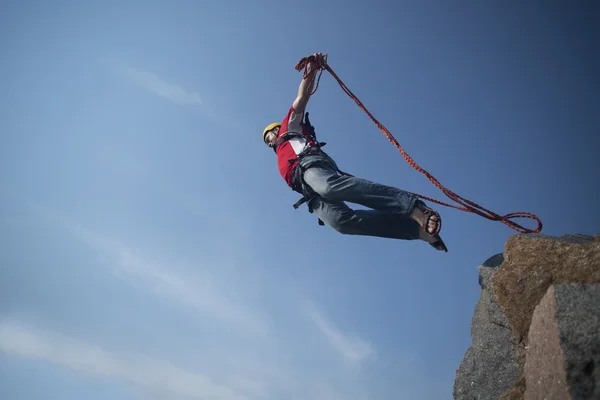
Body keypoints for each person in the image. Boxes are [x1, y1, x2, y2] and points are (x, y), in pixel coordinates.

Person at [262, 53, 448, 252]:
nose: (269, 142)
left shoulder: (288, 128)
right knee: (342, 223)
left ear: (275, 130)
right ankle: (420, 232)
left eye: (268, 137)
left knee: (329, 187)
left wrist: (312, 71)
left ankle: (413, 208)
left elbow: (301, 98)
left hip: (310, 166)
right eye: (267, 141)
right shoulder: (280, 152)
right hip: (307, 191)